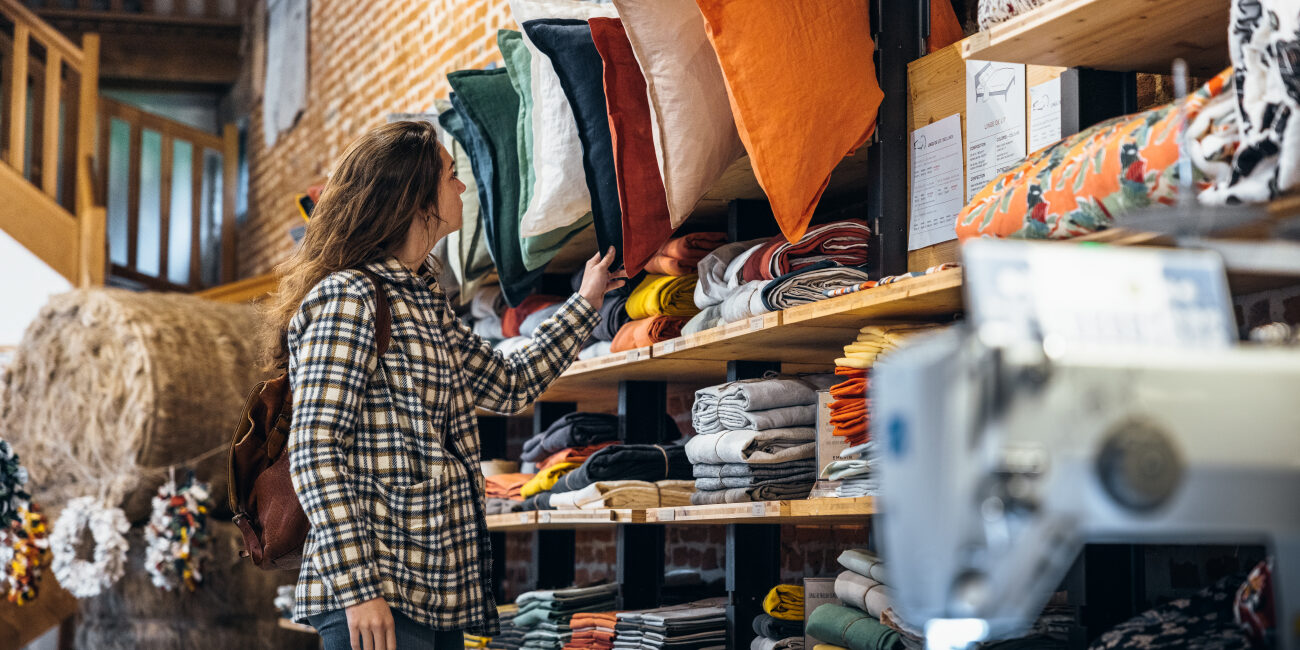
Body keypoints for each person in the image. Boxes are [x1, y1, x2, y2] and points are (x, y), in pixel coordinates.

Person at [265, 120, 625, 650]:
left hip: (434, 589)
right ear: (414, 197)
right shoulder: (349, 298)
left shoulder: (421, 301)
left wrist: (588, 301)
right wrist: (360, 589)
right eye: (451, 175)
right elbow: (315, 449)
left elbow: (509, 383)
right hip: (374, 595)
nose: (462, 187)